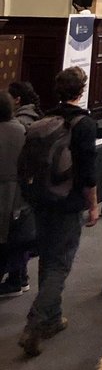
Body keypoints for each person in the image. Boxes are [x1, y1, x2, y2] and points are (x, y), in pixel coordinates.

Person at [17, 66, 99, 358]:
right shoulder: (84, 124)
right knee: (60, 264)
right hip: (68, 201)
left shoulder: (45, 119)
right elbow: (87, 171)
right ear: (82, 89)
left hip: (42, 199)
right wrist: (92, 204)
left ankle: (53, 317)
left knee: (48, 259)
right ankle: (36, 323)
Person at [0, 91, 27, 297]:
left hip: (5, 191)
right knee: (17, 237)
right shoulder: (22, 130)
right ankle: (19, 277)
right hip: (18, 193)